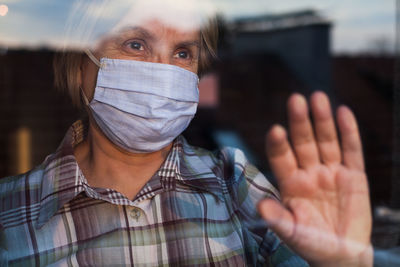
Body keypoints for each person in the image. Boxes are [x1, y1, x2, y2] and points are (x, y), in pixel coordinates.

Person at [0, 1, 372, 266]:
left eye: (182, 53)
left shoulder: (235, 181)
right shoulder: (9, 212)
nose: (163, 71)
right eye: (136, 44)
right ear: (80, 63)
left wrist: (342, 263)